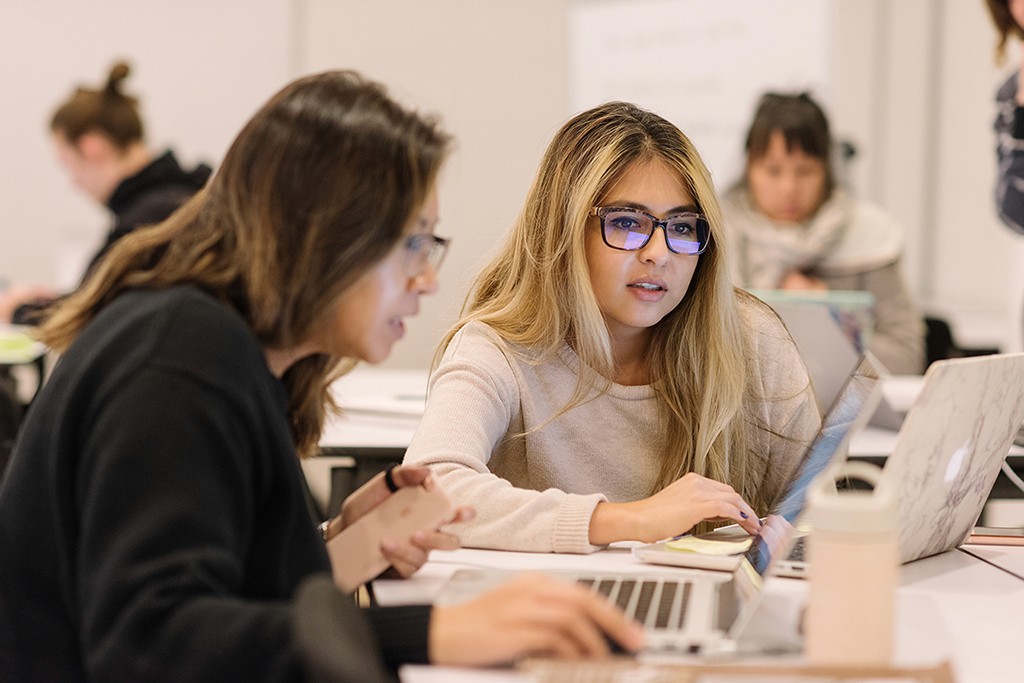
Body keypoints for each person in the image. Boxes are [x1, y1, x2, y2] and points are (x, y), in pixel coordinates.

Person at [0, 71, 643, 682]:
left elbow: (222, 599)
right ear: (326, 236)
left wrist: (335, 549)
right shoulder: (180, 359)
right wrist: (433, 634)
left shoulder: (222, 348)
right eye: (412, 243)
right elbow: (152, 645)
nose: (427, 280)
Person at [402, 101, 821, 554]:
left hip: (710, 618)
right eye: (626, 223)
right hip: (551, 613)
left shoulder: (751, 340)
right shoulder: (499, 346)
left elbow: (824, 516)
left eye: (681, 226)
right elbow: (426, 491)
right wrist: (629, 519)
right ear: (561, 229)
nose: (659, 252)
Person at [721, 92, 926, 375]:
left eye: (805, 171)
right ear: (749, 169)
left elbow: (906, 361)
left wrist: (831, 317)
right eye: (773, 171)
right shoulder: (716, 234)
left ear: (827, 170)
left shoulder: (868, 235)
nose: (788, 188)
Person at [0, 61, 211, 325]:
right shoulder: (176, 198)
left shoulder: (151, 219)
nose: (74, 183)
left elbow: (88, 320)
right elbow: (102, 300)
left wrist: (16, 311)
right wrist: (58, 298)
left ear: (92, 148)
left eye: (69, 166)